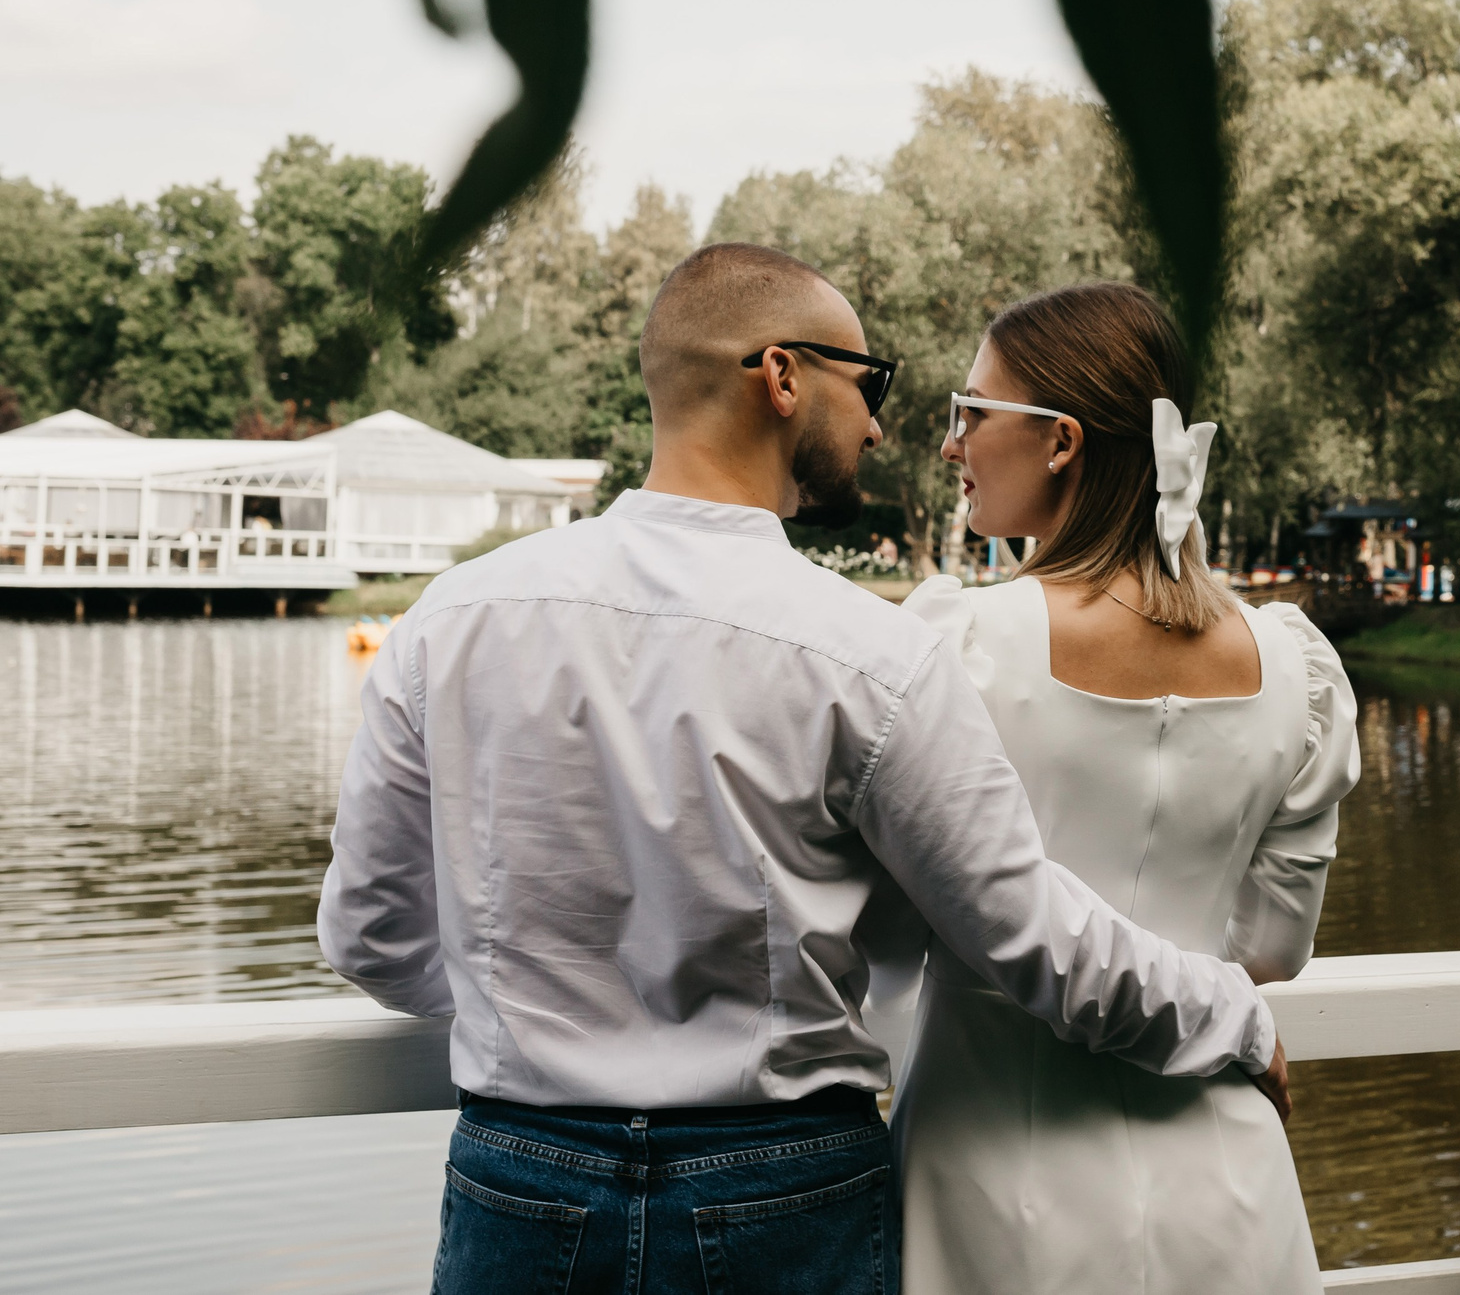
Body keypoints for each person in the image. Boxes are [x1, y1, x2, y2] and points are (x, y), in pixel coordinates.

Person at [317, 245, 1288, 1295]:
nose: (878, 424)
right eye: (866, 385)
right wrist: (1230, 1016)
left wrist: (541, 1018)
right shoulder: (867, 655)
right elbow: (1021, 933)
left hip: (521, 1181)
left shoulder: (449, 622)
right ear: (781, 378)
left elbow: (370, 935)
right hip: (784, 1197)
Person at [891, 282, 1359, 1295]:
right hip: (1224, 1180)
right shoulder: (1294, 666)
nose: (950, 444)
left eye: (971, 413)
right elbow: (1274, 946)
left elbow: (891, 922)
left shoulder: (958, 646)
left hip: (996, 1176)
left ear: (1061, 441)